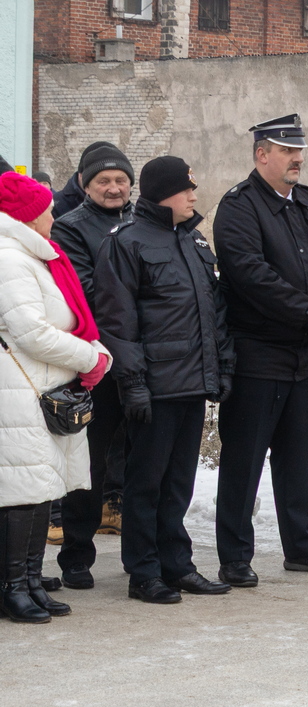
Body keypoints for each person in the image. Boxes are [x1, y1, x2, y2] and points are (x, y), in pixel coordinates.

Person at [212, 116, 308, 584]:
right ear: (262, 155)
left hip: (305, 355)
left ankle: (300, 545)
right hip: (258, 353)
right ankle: (235, 556)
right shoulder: (239, 207)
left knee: (300, 460)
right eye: (287, 150)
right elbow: (250, 275)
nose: (298, 158)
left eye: (300, 151)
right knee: (244, 461)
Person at [91, 157, 232, 603]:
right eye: (185, 190)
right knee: (145, 484)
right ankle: (143, 572)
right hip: (153, 387)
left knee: (178, 484)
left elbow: (215, 315)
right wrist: (133, 384)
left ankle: (177, 565)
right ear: (162, 194)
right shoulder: (127, 242)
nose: (194, 196)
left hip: (191, 383)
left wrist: (220, 370)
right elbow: (117, 322)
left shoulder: (193, 242)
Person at [0, 170, 110, 622]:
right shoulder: (10, 258)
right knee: (23, 489)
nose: (53, 214)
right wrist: (90, 356)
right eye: (46, 209)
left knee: (42, 487)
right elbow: (30, 331)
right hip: (18, 391)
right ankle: (12, 586)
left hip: (41, 387)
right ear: (27, 216)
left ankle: (28, 579)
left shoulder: (32, 255)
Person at [49, 143, 134, 583]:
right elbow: (84, 291)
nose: (114, 187)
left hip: (143, 361)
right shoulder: (69, 228)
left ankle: (142, 555)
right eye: (104, 180)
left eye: (121, 179)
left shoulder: (144, 222)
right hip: (95, 363)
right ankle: (77, 556)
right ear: (85, 184)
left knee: (140, 463)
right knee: (89, 465)